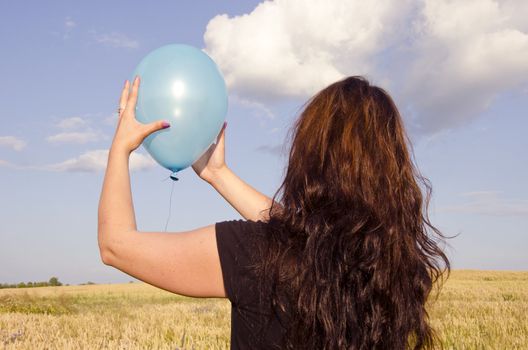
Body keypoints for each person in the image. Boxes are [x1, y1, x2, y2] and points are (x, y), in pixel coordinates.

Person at [98, 75, 450, 349]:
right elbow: (300, 230)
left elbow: (115, 245)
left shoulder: (255, 254)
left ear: (308, 157)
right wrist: (218, 175)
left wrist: (120, 146)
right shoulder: (393, 267)